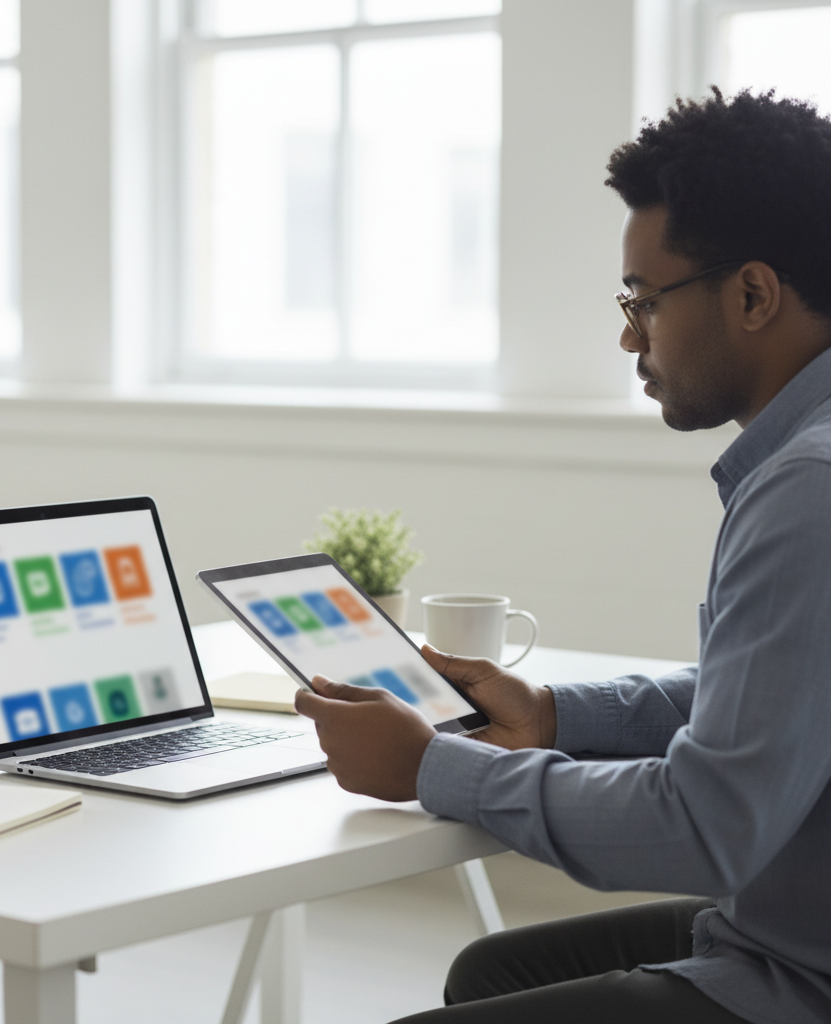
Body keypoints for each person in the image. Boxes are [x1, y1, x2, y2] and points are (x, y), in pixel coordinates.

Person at [295, 88, 831, 1024]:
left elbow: (704, 827)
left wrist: (430, 767)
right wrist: (551, 711)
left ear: (752, 293)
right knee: (490, 973)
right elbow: (769, 697)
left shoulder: (807, 487)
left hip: (801, 974)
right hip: (795, 917)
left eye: (645, 301)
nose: (630, 335)